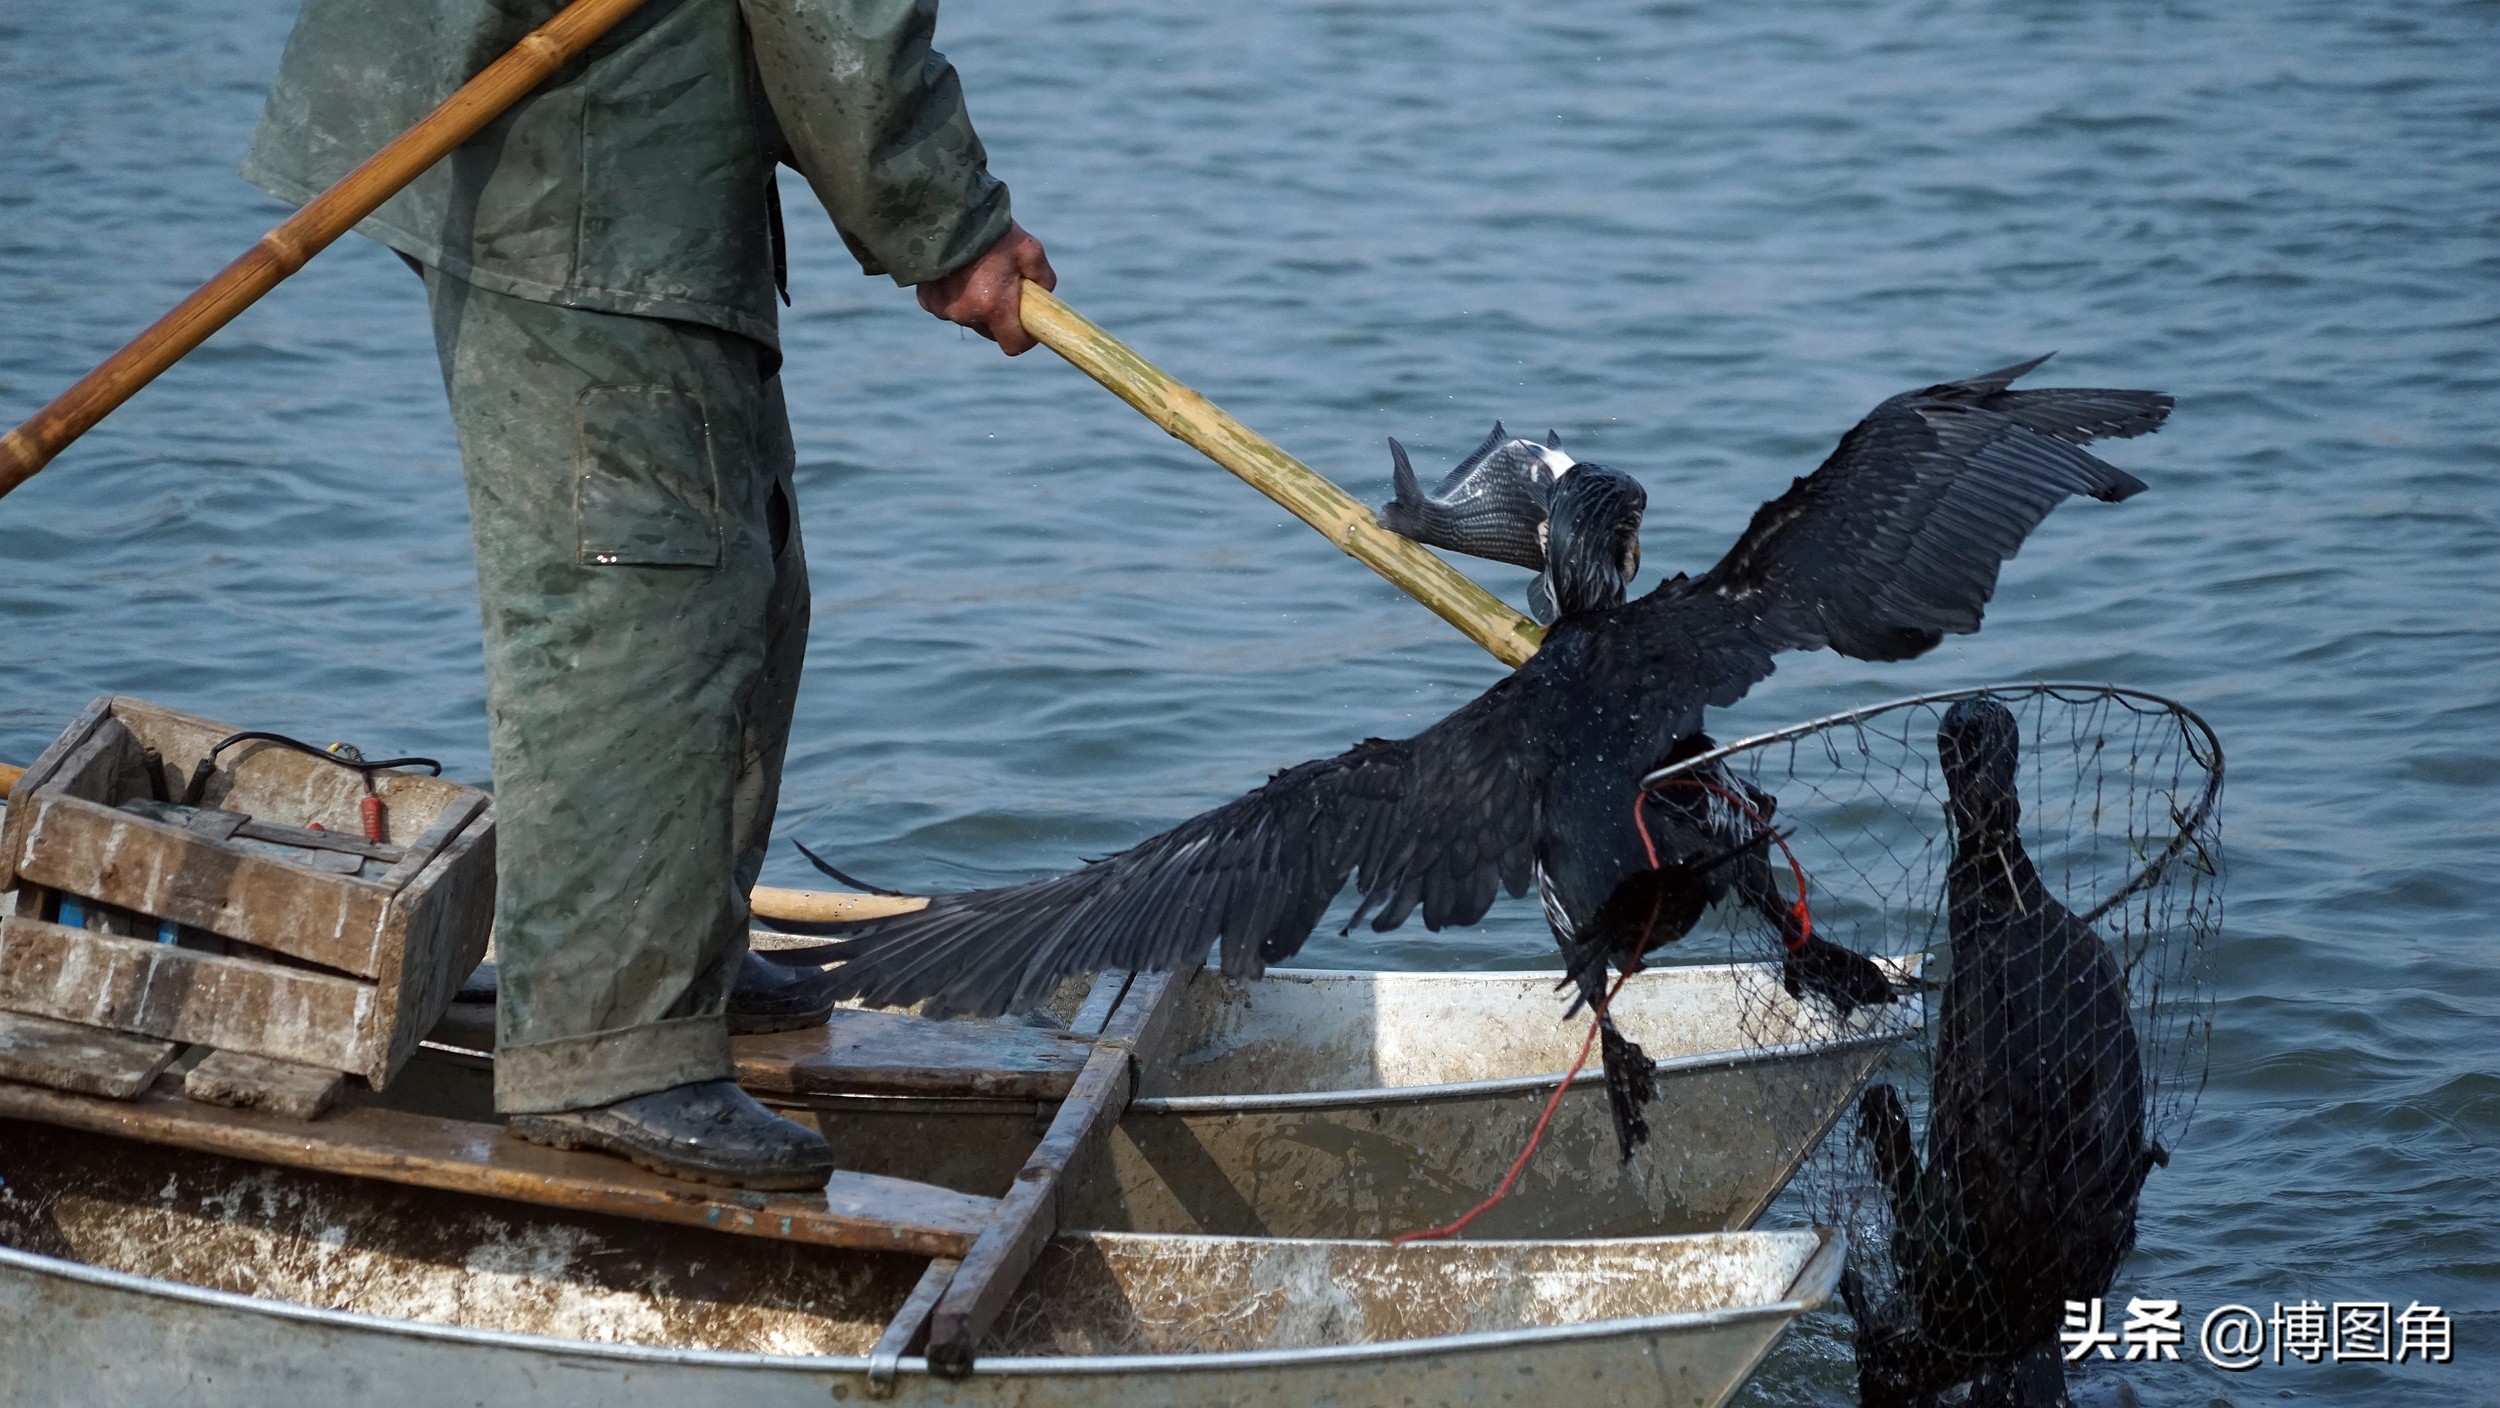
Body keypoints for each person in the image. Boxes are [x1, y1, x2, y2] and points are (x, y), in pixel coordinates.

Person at [242, 0, 1053, 1189]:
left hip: (616, 150)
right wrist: (948, 222)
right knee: (644, 592)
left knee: (739, 573)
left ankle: (676, 962)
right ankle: (605, 1051)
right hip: (581, 161)